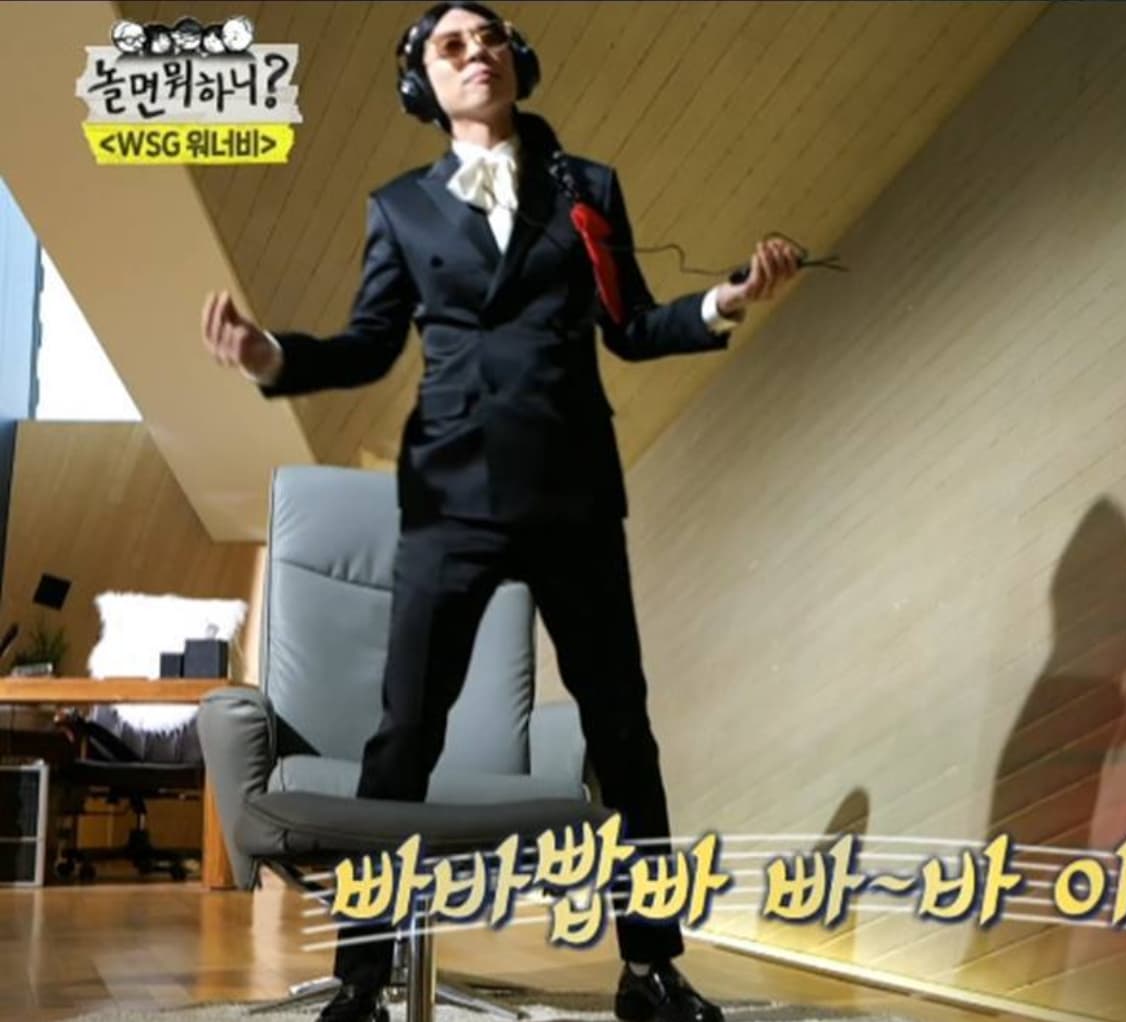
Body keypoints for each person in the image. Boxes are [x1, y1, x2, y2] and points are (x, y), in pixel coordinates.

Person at [200, 4, 803, 1020]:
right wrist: (274, 356)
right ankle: (363, 978)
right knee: (404, 738)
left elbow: (630, 324)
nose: (475, 52)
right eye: (451, 44)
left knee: (623, 734)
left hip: (573, 493)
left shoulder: (587, 185)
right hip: (451, 501)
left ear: (517, 60)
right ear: (424, 85)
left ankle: (651, 968)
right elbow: (370, 343)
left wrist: (725, 300)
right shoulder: (399, 207)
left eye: (488, 38)